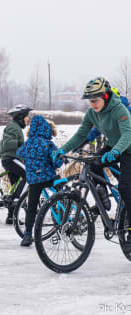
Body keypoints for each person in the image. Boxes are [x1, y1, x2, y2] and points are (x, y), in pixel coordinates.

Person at [52, 77, 131, 251]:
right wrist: (62, 149)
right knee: (94, 165)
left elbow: (127, 135)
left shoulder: (119, 109)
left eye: (95, 100)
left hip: (128, 148)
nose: (92, 104)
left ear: (104, 96)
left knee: (125, 187)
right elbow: (81, 135)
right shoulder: (92, 114)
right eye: (90, 101)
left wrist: (115, 152)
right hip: (113, 146)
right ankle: (103, 198)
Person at [17, 115, 62, 246]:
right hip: (48, 178)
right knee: (61, 190)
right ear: (46, 129)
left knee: (31, 207)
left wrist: (30, 159)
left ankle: (27, 235)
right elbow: (57, 161)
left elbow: (19, 153)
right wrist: (58, 162)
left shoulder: (28, 143)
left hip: (34, 180)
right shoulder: (48, 144)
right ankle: (62, 212)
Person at [0, 104, 32, 224]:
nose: (28, 119)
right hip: (11, 159)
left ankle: (11, 216)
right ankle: (18, 200)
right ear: (20, 117)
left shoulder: (16, 127)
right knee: (29, 174)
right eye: (26, 117)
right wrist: (21, 144)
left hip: (13, 159)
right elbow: (7, 143)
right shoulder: (13, 127)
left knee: (16, 186)